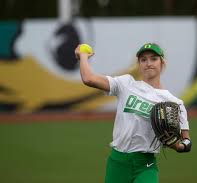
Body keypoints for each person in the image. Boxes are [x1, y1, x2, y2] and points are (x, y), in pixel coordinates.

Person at [75, 43, 191, 183]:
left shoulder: (175, 103)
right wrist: (83, 56)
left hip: (146, 165)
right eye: (143, 59)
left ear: (162, 62)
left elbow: (186, 141)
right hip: (117, 162)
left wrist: (178, 145)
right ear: (139, 64)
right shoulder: (126, 84)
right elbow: (89, 79)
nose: (148, 63)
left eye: (153, 58)